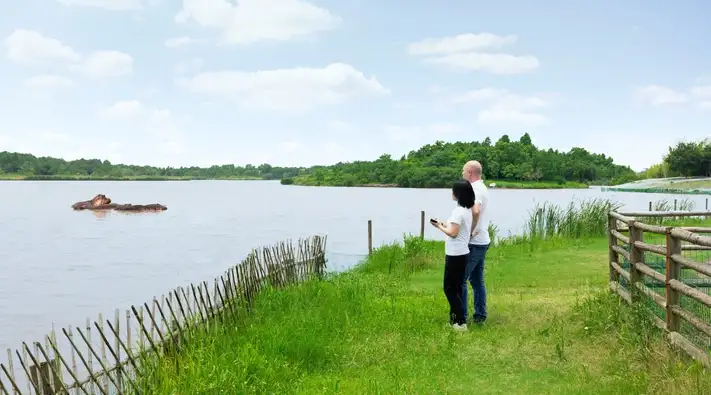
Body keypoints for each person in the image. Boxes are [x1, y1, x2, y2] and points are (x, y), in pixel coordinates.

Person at [431, 179, 475, 331]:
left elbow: (453, 233)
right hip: (462, 253)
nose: (451, 193)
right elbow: (457, 229)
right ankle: (455, 321)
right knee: (456, 289)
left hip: (455, 254)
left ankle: (461, 322)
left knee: (449, 289)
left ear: (458, 193)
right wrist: (444, 224)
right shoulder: (466, 210)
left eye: (453, 190)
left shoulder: (458, 212)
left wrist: (439, 227)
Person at [461, 160, 491, 325]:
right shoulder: (482, 187)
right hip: (482, 240)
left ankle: (461, 318)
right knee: (477, 280)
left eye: (464, 171)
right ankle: (480, 316)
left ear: (470, 172)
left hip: (475, 242)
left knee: (461, 279)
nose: (462, 174)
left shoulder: (475, 189)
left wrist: (470, 232)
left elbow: (476, 210)